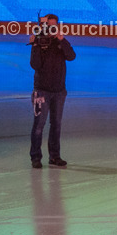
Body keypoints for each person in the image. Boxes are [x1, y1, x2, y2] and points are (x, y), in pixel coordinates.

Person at [29, 13, 75, 169]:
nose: (50, 29)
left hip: (59, 91)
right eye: (48, 26)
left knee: (56, 124)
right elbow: (35, 65)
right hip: (42, 91)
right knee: (39, 125)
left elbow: (71, 56)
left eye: (53, 26)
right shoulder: (39, 42)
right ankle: (36, 157)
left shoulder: (60, 42)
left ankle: (54, 156)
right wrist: (35, 45)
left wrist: (62, 40)